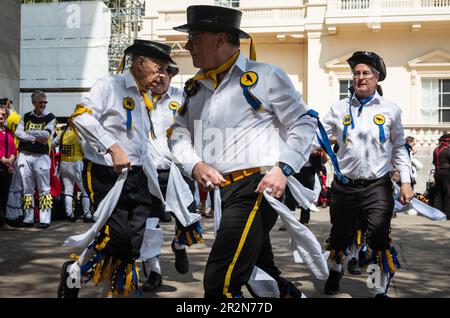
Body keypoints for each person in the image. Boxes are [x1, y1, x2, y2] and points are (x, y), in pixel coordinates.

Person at [169, 5, 317, 298]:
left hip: (258, 188)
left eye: (195, 37)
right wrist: (195, 164)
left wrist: (282, 168)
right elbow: (177, 133)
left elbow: (303, 122)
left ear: (221, 39)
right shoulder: (194, 87)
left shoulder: (266, 75)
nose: (188, 46)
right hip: (223, 193)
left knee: (220, 281)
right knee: (259, 274)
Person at [57, 39, 173, 298]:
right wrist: (112, 147)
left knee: (134, 241)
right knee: (117, 236)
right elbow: (80, 117)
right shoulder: (109, 85)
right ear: (140, 62)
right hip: (106, 174)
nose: (162, 74)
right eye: (159, 66)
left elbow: (142, 142)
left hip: (139, 176)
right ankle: (77, 270)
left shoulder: (145, 97)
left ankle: (119, 289)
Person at [321, 51, 413, 298]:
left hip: (377, 186)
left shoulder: (391, 109)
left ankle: (377, 287)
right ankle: (336, 269)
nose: (360, 78)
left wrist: (405, 182)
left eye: (366, 74)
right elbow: (316, 134)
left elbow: (400, 147)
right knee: (340, 236)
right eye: (357, 73)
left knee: (379, 237)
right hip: (344, 185)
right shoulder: (338, 108)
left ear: (377, 78)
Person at [142, 64, 191, 292]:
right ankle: (154, 272)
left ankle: (179, 245)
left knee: (186, 220)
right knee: (149, 225)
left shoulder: (183, 99)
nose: (161, 76)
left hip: (179, 171)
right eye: (157, 71)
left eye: (166, 72)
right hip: (148, 173)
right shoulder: (138, 100)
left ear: (171, 76)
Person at [15, 90, 56, 229]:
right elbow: (17, 133)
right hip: (25, 155)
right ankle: (28, 219)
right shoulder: (26, 116)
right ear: (34, 103)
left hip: (41, 157)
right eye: (40, 102)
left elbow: (47, 134)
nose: (43, 104)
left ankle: (45, 219)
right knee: (27, 189)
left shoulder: (50, 117)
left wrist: (28, 133)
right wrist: (35, 138)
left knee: (44, 189)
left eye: (45, 102)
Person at [52, 123, 93, 223]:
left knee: (68, 190)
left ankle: (70, 214)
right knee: (85, 190)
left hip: (64, 164)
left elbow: (53, 144)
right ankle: (87, 214)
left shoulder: (62, 132)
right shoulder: (80, 133)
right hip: (77, 164)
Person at [0, 101, 17, 231]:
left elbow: (13, 148)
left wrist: (11, 159)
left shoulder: (9, 131)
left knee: (4, 195)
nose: (1, 117)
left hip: (8, 167)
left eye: (3, 115)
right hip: (1, 165)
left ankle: (2, 221)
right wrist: (3, 159)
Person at [432, 133, 450, 219]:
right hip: (446, 173)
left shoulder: (436, 150)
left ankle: (437, 213)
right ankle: (447, 214)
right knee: (448, 193)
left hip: (437, 172)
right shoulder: (448, 150)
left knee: (438, 193)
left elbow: (434, 162)